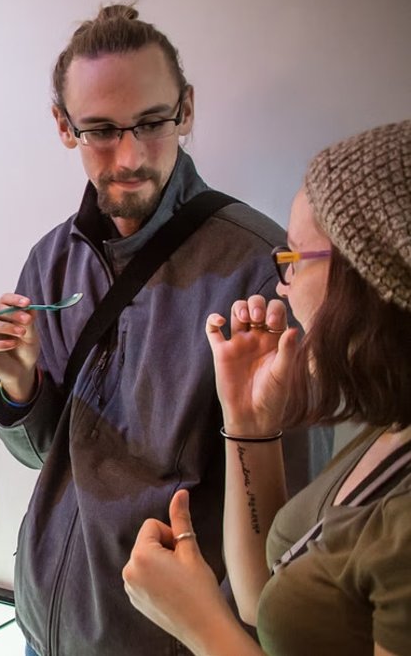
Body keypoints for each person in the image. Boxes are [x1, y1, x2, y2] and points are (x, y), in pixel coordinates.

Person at [0, 5, 311, 655]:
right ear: (63, 126)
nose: (129, 156)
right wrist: (20, 388)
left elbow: (290, 538)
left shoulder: (261, 272)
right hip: (43, 632)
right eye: (101, 130)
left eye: (152, 123)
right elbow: (49, 459)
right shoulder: (53, 258)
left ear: (185, 110)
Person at [122, 120, 411, 654]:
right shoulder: (389, 435)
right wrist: (249, 425)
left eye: (294, 260)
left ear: (370, 281)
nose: (282, 284)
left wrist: (200, 625)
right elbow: (267, 599)